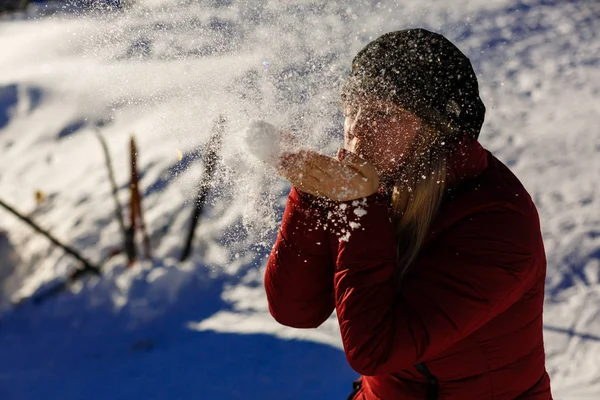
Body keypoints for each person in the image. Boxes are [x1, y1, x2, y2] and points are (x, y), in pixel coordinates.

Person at [264, 28, 552, 400]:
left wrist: (358, 209)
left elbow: (376, 350)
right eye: (351, 109)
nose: (357, 130)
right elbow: (295, 310)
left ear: (437, 130)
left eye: (383, 114)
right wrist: (311, 193)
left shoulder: (497, 221)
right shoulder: (378, 180)